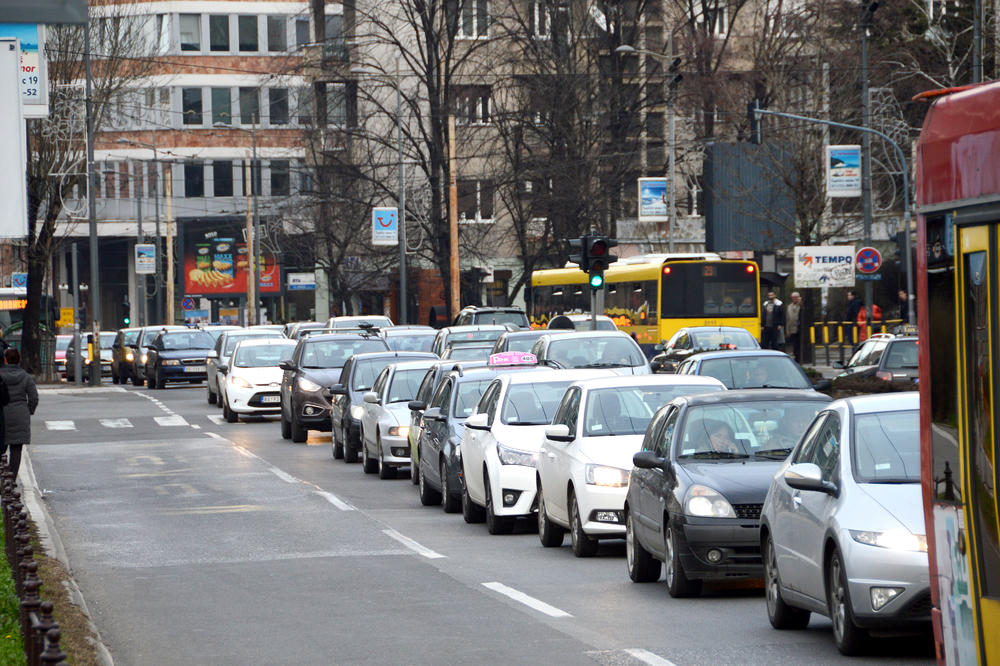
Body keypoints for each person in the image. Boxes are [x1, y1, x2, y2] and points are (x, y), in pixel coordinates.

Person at [0, 348, 37, 478]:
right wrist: (28, 410)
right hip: (20, 413)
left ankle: (2, 478)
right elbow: (33, 397)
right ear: (19, 360)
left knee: (1, 446)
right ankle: (12, 478)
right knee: (16, 448)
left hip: (2, 414)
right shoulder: (26, 377)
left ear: (5, 359)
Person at [785, 292, 803, 362]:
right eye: (793, 297)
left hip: (799, 329)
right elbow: (787, 319)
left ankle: (800, 358)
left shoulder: (800, 306)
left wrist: (800, 303)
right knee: (794, 345)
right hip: (792, 329)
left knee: (799, 344)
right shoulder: (789, 307)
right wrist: (787, 330)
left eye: (796, 297)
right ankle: (796, 358)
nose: (795, 299)